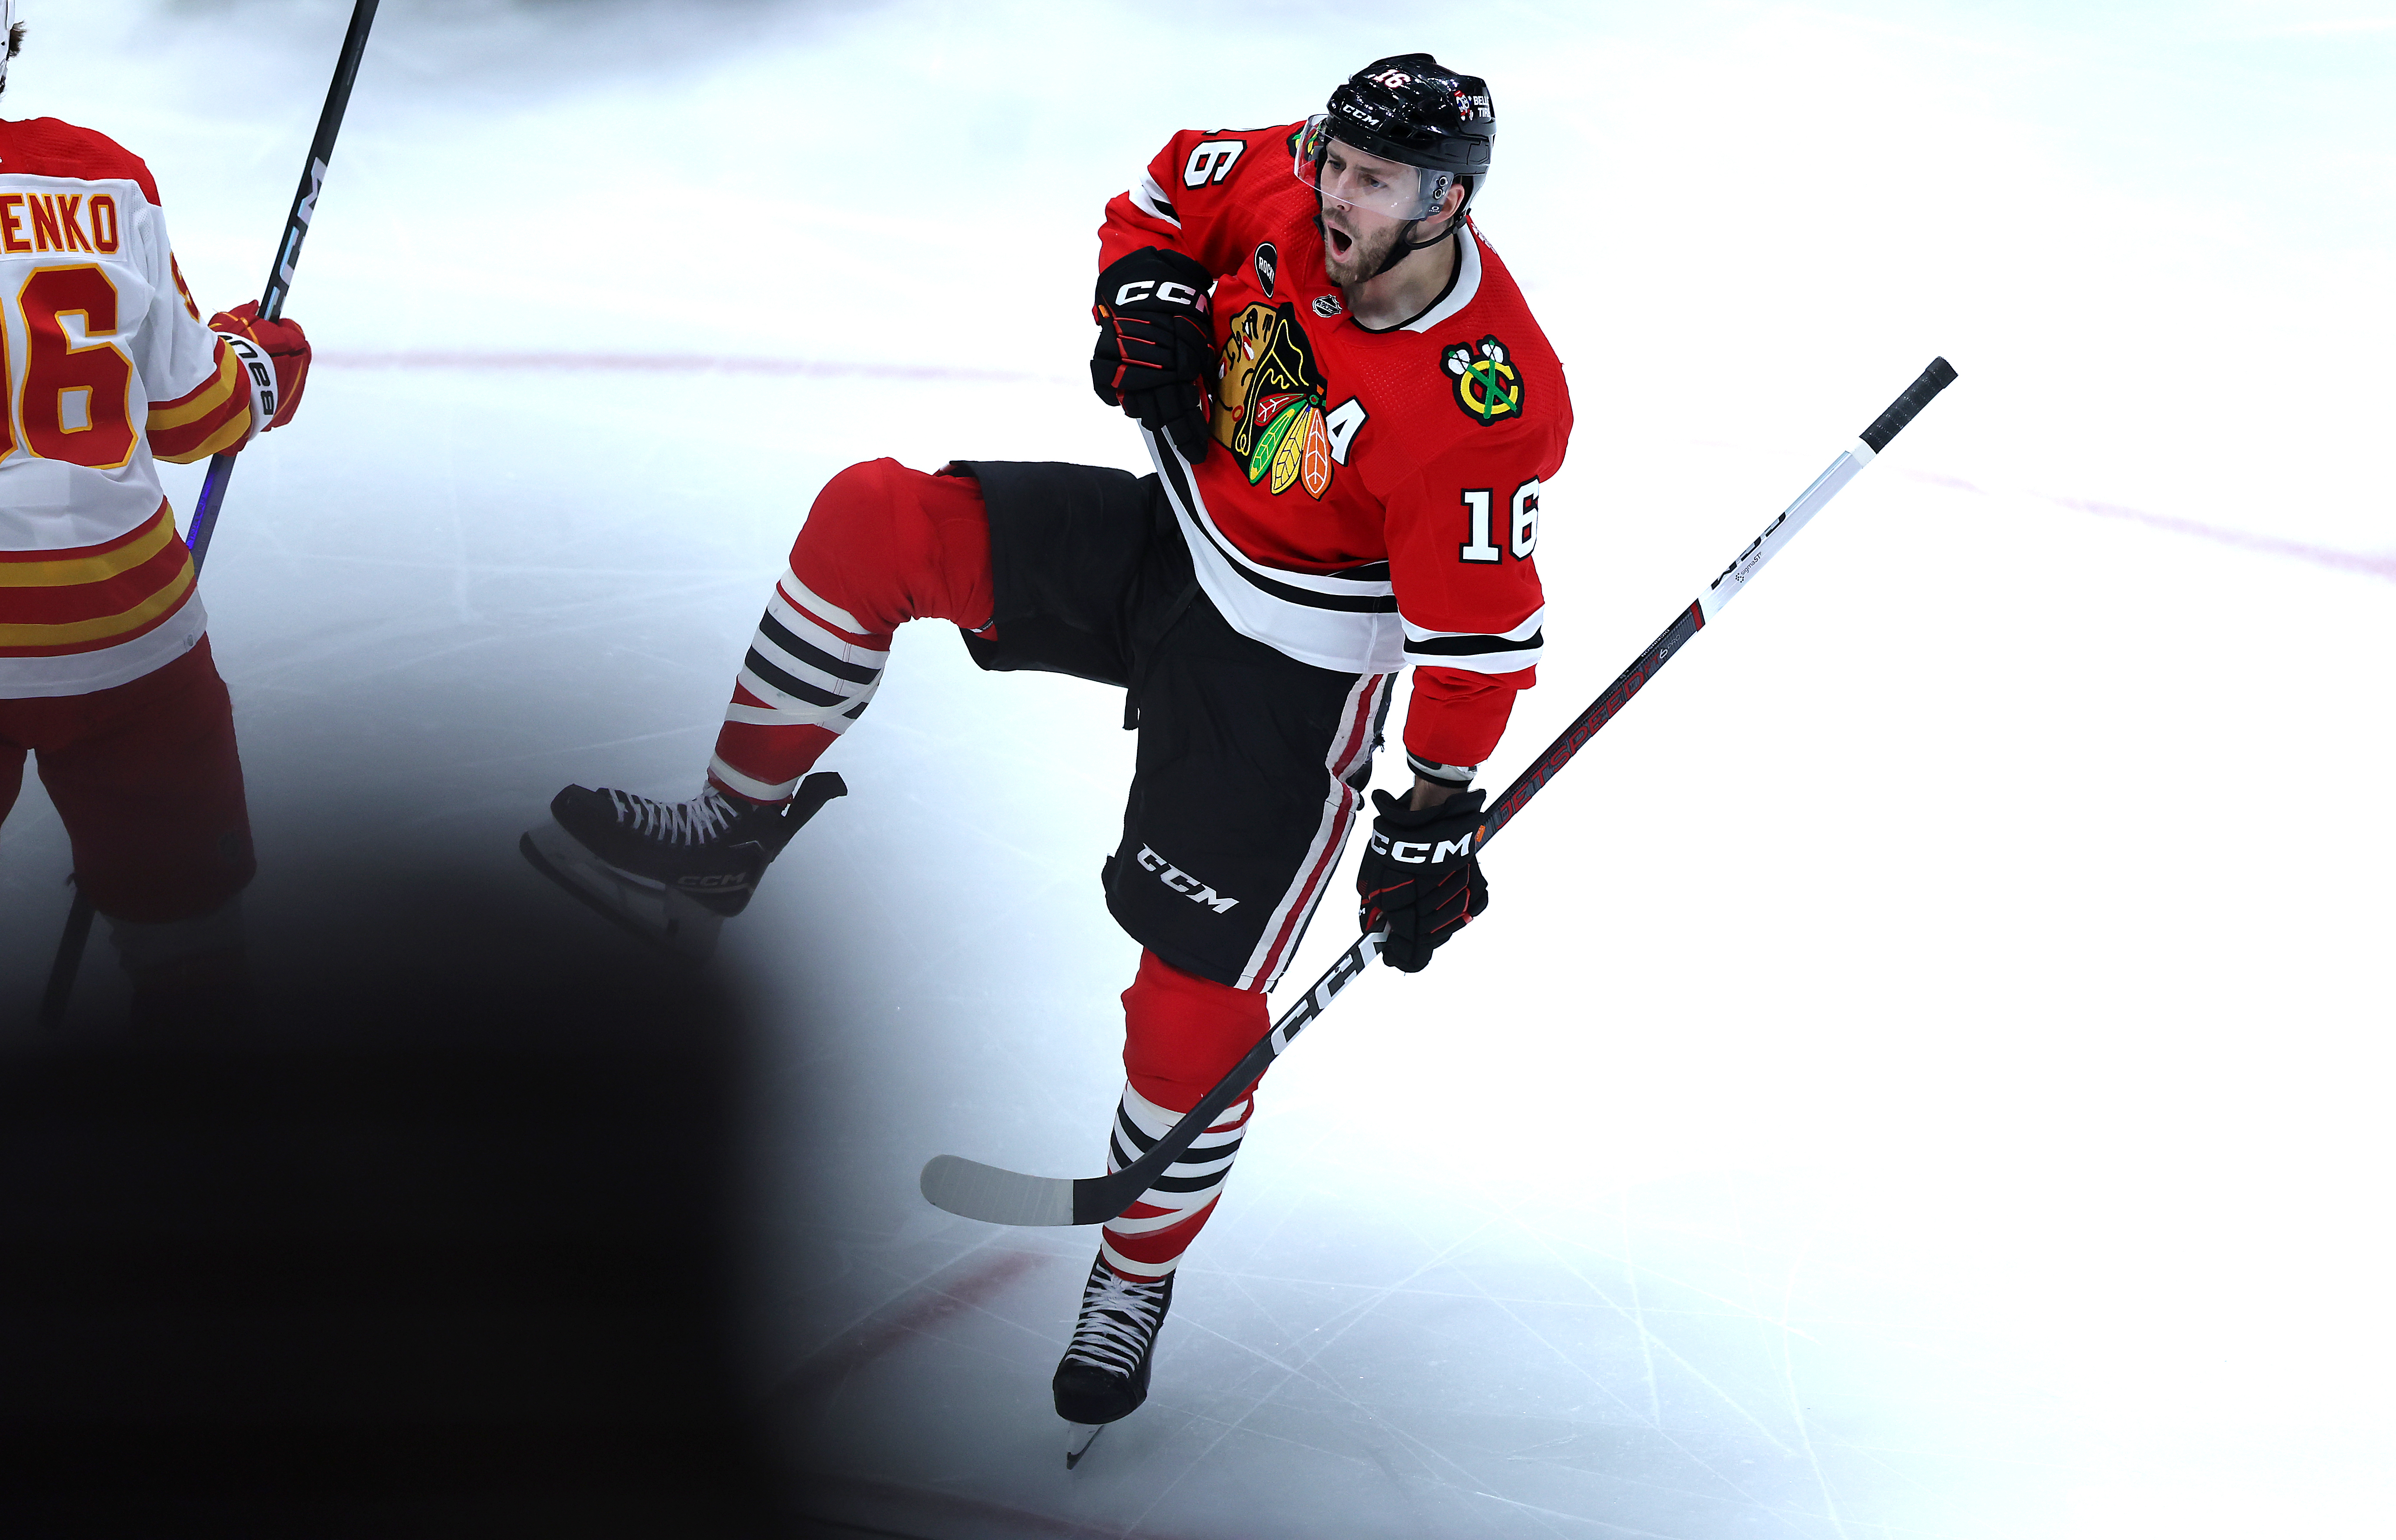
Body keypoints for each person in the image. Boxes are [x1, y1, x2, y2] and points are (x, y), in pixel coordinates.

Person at [530, 53, 1570, 1448]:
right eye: (1334, 158)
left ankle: (1129, 1278)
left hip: (1285, 677)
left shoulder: (1480, 400)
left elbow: (1480, 641)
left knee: (1187, 1014)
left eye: (1373, 180)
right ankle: (727, 835)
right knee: (874, 523)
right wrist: (1140, 292)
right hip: (1168, 544)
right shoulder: (1285, 173)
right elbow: (1158, 193)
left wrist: (1431, 815)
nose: (1331, 188)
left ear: (1444, 204)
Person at [0, 9, 312, 1023]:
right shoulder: (102, 176)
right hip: (128, 633)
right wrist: (260, 368)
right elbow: (192, 416)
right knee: (194, 964)